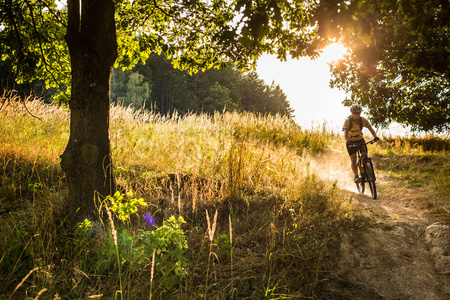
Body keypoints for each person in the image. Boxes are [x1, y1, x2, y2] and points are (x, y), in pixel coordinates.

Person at [342, 104, 379, 183]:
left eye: (358, 113)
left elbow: (371, 129)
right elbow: (345, 133)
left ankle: (367, 171)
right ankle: (356, 176)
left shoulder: (363, 120)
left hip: (360, 140)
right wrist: (347, 141)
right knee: (353, 158)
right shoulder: (348, 121)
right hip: (351, 141)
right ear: (352, 113)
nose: (357, 115)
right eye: (355, 113)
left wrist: (375, 137)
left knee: (365, 156)